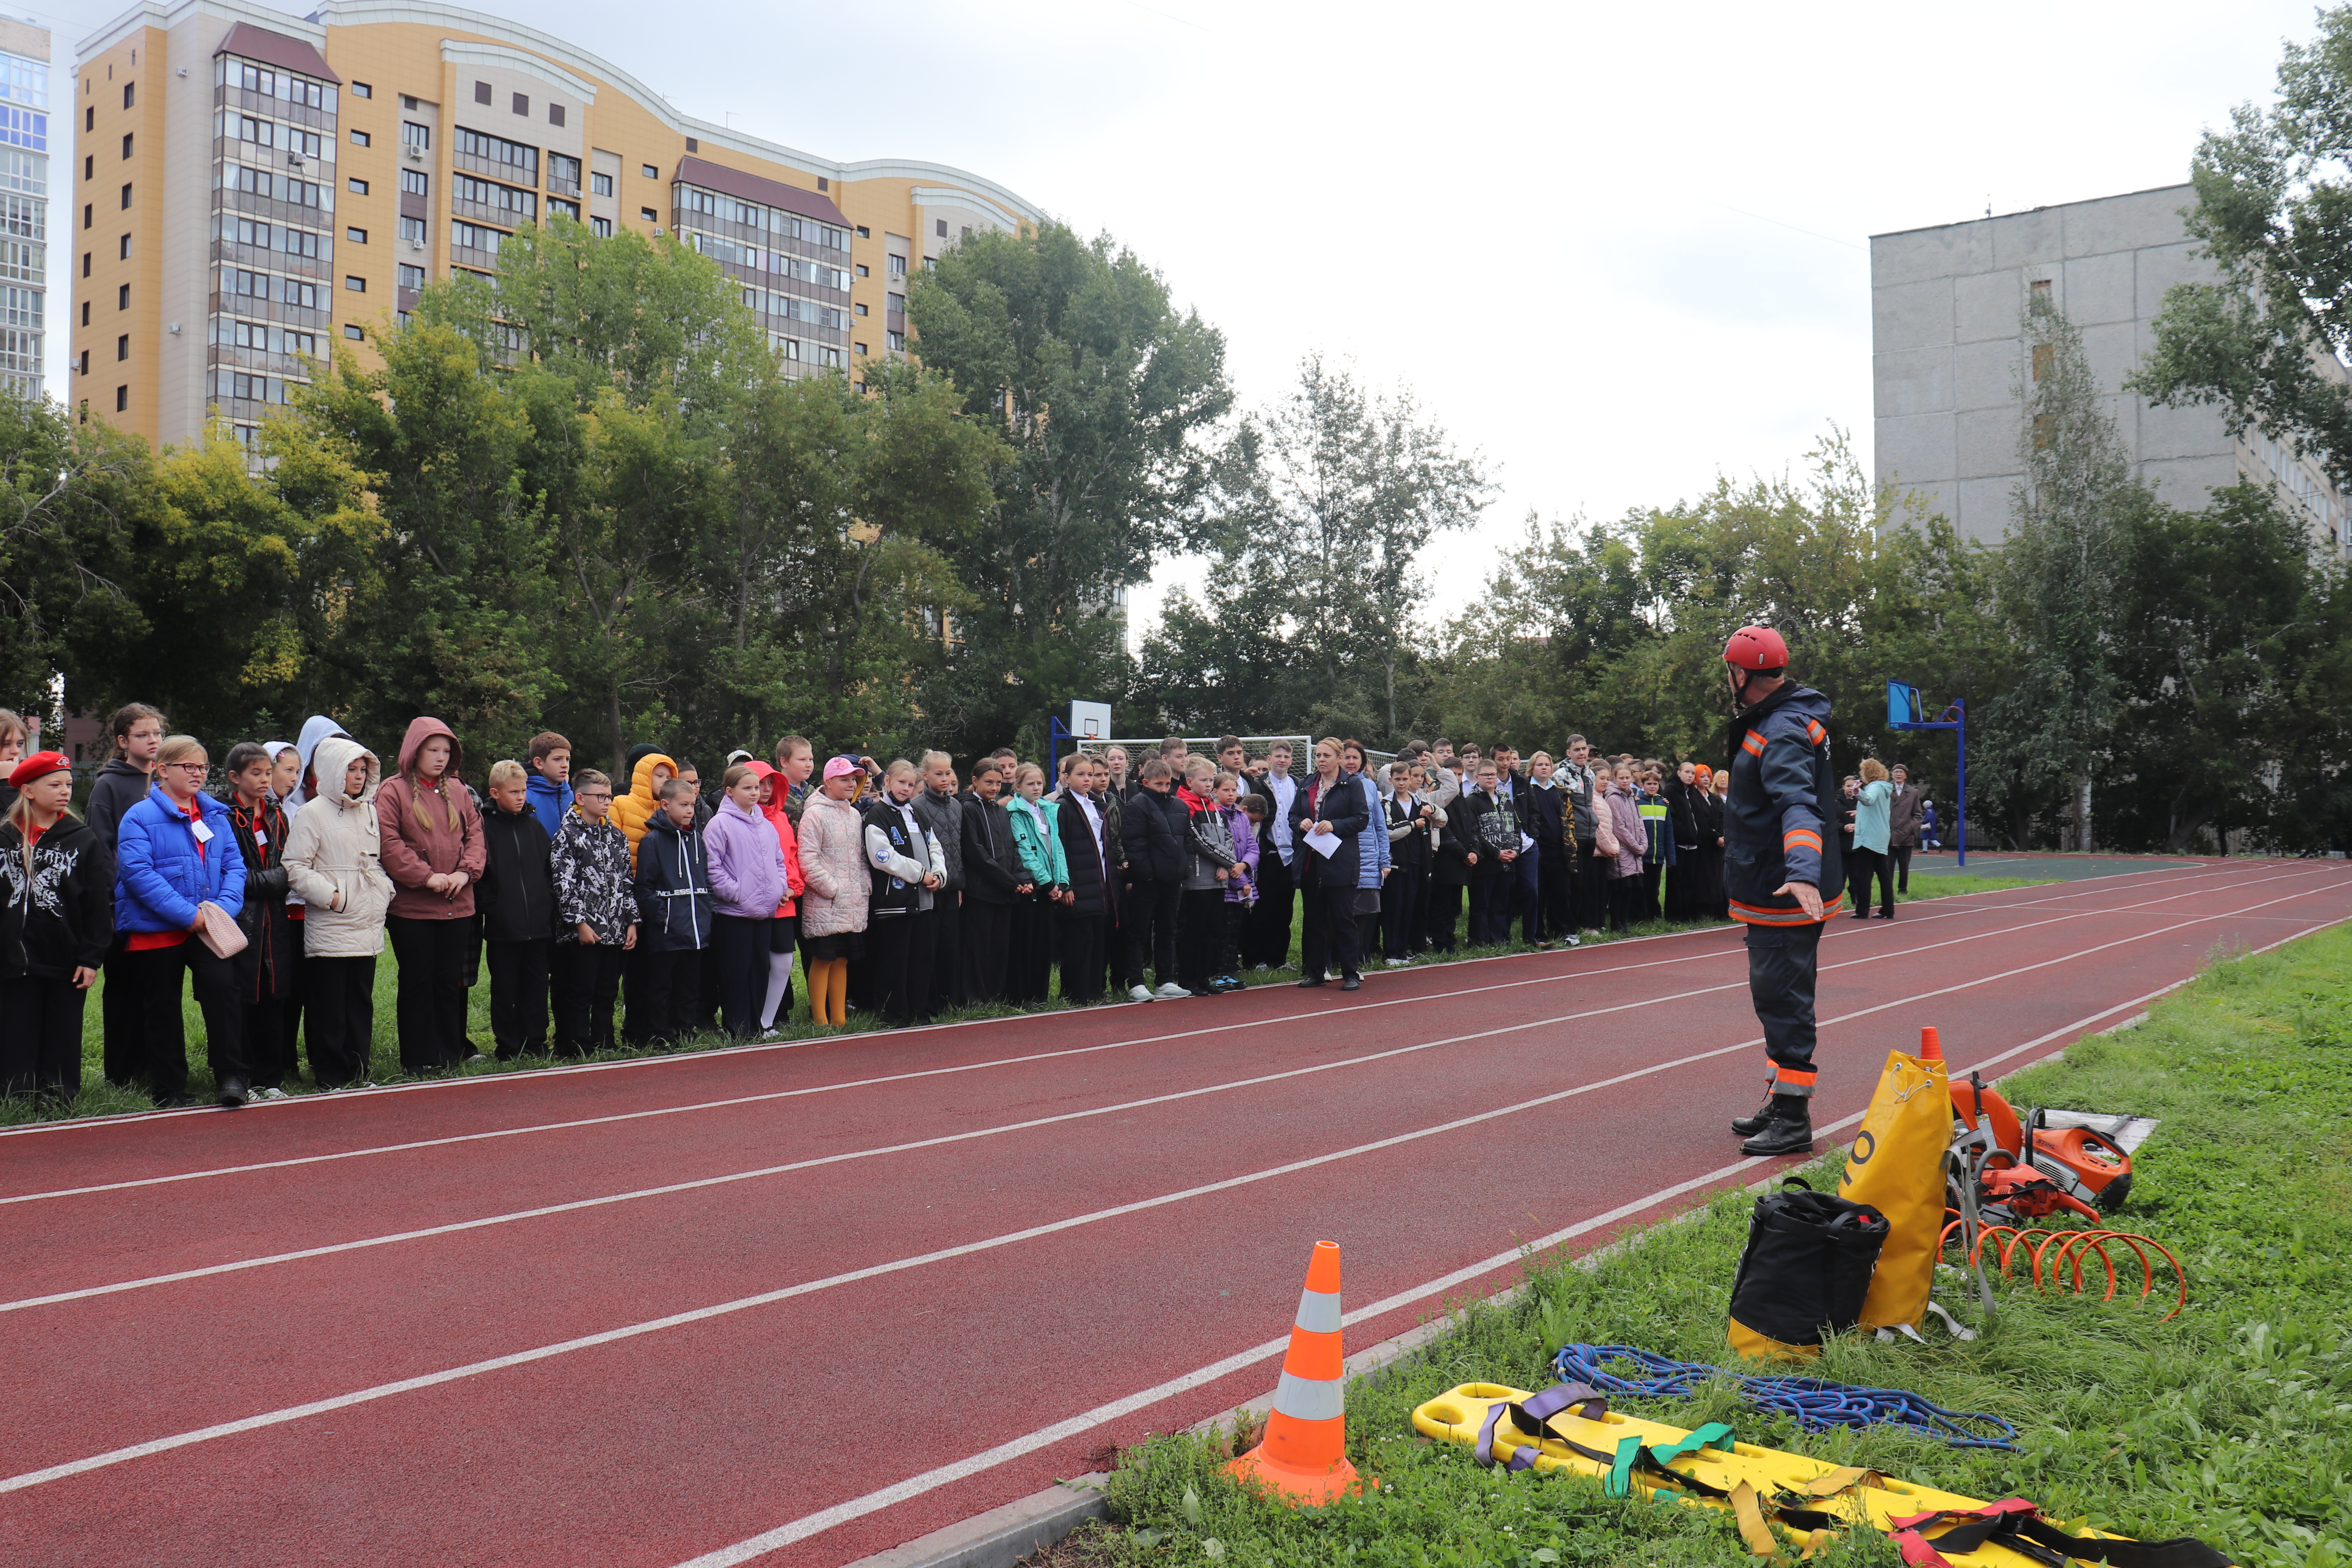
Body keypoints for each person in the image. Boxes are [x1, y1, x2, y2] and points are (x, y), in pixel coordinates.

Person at [1719, 624, 1844, 1158]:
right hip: (1770, 881)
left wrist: (1801, 872)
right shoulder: (1781, 717)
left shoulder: (1783, 729)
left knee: (1783, 1000)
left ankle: (1794, 1119)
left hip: (1783, 889)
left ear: (1744, 674)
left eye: (1730, 671)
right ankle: (1781, 1096)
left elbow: (1799, 804)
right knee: (1775, 1000)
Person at [114, 735, 249, 1107]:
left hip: (211, 924)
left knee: (223, 993)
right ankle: (170, 1087)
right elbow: (138, 873)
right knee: (162, 1006)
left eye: (203, 767)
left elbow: (236, 867)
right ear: (163, 770)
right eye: (188, 767)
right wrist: (188, 915)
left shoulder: (216, 816)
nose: (198, 774)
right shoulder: (139, 816)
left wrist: (218, 911)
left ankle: (231, 1076)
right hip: (158, 926)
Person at [375, 717, 486, 1074]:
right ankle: (419, 1057)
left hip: (459, 904)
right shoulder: (392, 792)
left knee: (448, 981)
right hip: (413, 909)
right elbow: (389, 844)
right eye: (432, 750)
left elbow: (476, 838)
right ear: (415, 751)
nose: (440, 758)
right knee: (417, 981)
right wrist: (428, 878)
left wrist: (462, 873)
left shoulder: (459, 790)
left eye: (446, 751)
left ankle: (449, 1053)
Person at [279, 737, 390, 1089]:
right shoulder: (312, 813)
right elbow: (294, 866)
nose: (358, 777)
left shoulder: (370, 810)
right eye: (350, 770)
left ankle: (358, 1071)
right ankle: (330, 1073)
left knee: (360, 1002)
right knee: (329, 1004)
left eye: (362, 770)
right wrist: (333, 897)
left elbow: (374, 862)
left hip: (367, 922)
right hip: (331, 922)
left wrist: (384, 891)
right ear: (330, 772)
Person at [0, 751, 110, 1101]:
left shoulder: (82, 838)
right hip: (13, 958)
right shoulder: (4, 837)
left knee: (62, 1028)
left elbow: (96, 904)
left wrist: (91, 957)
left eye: (68, 784)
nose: (65, 791)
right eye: (55, 785)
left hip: (65, 956)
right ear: (29, 790)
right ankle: (16, 1094)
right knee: (17, 1027)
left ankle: (59, 1094)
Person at [89, 702, 165, 1089]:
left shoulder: (165, 781)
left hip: (163, 909)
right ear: (123, 741)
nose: (153, 740)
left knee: (156, 995)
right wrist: (112, 905)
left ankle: (154, 1069)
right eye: (143, 734)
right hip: (123, 910)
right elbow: (101, 852)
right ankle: (122, 1075)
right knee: (123, 995)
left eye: (157, 734)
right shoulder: (110, 785)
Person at [216, 742, 298, 1098]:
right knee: (243, 996)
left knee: (275, 994)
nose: (265, 780)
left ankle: (272, 1076)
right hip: (242, 918)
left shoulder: (277, 815)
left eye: (268, 773)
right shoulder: (223, 816)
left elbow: (290, 869)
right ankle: (243, 1074)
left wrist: (275, 880)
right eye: (256, 774)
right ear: (235, 777)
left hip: (275, 919)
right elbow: (230, 874)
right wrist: (273, 881)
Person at [550, 768, 636, 1057]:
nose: (607, 802)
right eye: (600, 796)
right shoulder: (567, 836)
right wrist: (579, 924)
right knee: (580, 992)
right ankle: (576, 1046)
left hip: (614, 929)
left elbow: (626, 882)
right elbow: (564, 885)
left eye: (609, 797)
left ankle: (605, 1042)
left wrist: (631, 921)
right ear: (580, 798)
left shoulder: (616, 837)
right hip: (583, 932)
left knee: (607, 991)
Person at [477, 759, 556, 1058]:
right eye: (514, 792)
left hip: (538, 925)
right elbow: (481, 875)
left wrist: (547, 900)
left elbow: (549, 870)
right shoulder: (485, 829)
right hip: (503, 928)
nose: (521, 797)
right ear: (496, 793)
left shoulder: (534, 827)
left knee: (537, 988)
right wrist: (493, 908)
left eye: (523, 791)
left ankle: (535, 1042)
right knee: (505, 990)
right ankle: (508, 1045)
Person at [705, 762, 789, 1038]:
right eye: (748, 788)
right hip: (734, 915)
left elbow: (779, 862)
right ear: (730, 791)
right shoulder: (720, 824)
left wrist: (779, 888)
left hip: (764, 912)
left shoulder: (765, 825)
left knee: (758, 972)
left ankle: (755, 1027)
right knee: (735, 974)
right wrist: (735, 893)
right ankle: (737, 1028)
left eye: (757, 788)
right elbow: (712, 867)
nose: (755, 793)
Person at [628, 778, 712, 1046]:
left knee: (690, 985)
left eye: (692, 804)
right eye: (683, 804)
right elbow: (645, 886)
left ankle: (685, 1029)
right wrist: (663, 916)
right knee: (662, 986)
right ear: (665, 805)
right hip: (666, 932)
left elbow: (705, 880)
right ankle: (661, 1033)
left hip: (695, 929)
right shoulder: (652, 841)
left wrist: (705, 911)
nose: (690, 810)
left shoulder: (697, 839)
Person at [862, 760, 943, 1028]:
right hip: (894, 903)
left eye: (911, 785)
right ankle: (893, 1015)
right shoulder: (877, 815)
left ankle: (919, 1011)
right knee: (895, 961)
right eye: (901, 783)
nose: (906, 789)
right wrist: (921, 874)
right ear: (887, 782)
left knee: (922, 960)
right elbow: (882, 857)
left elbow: (935, 848)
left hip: (924, 902)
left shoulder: (917, 814)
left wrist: (940, 875)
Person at [797, 758, 870, 1027]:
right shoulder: (814, 814)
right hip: (826, 903)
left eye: (854, 779)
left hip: (852, 902)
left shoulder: (854, 815)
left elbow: (861, 857)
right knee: (823, 958)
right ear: (828, 782)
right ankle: (820, 1019)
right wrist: (832, 889)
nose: (852, 784)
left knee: (842, 959)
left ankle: (839, 1019)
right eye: (845, 779)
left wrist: (863, 887)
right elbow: (808, 859)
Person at [1292, 738, 1370, 990]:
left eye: (1327, 756)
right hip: (1310, 861)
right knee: (1314, 919)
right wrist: (1301, 823)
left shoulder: (1352, 784)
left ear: (1339, 758)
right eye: (1318, 756)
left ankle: (1350, 972)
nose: (1321, 760)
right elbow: (1293, 816)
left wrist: (1335, 825)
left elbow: (1361, 819)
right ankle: (1316, 972)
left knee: (1342, 918)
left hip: (1339, 861)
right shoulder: (1306, 784)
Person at [744, 761, 806, 1033]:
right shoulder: (740, 819)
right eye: (760, 784)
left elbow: (791, 857)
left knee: (783, 963)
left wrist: (792, 888)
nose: (766, 790)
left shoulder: (781, 817)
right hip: (754, 905)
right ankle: (752, 1020)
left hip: (784, 902)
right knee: (755, 964)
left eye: (771, 783)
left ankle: (767, 1021)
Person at [1120, 758, 1190, 1000]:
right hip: (1148, 882)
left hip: (1173, 881)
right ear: (1145, 782)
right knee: (1139, 932)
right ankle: (1136, 983)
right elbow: (1133, 844)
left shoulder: (1180, 806)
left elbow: (1187, 841)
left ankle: (1165, 980)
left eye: (1167, 784)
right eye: (1159, 784)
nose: (1164, 789)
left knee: (1167, 931)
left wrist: (1183, 869)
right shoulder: (1136, 806)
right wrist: (1147, 875)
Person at [958, 761, 1024, 1004]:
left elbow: (1012, 848)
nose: (995, 787)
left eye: (998, 783)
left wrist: (1021, 878)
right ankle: (975, 997)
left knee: (999, 946)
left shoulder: (1000, 810)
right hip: (981, 892)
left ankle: (995, 995)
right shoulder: (968, 809)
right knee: (978, 947)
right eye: (989, 782)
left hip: (1005, 893)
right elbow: (975, 853)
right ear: (975, 781)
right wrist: (1009, 881)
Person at [1174, 758, 1241, 995]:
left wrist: (1225, 866)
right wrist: (1229, 861)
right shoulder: (1185, 806)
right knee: (1195, 931)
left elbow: (1227, 836)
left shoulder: (1213, 807)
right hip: (1197, 881)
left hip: (1217, 879)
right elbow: (1198, 842)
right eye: (1204, 780)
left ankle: (1203, 977)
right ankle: (1188, 978)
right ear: (1190, 781)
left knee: (1213, 930)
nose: (1209, 784)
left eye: (1211, 780)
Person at [1002, 763, 1066, 1005]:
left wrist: (1061, 881)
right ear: (1018, 787)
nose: (1036, 788)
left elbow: (1057, 847)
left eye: (1039, 783)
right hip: (1032, 886)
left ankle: (1040, 995)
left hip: (1051, 886)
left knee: (1044, 943)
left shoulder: (1048, 810)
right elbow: (1025, 851)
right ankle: (1021, 995)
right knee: (1025, 943)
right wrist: (1047, 883)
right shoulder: (1015, 812)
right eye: (1030, 784)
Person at [1051, 755, 1114, 1004]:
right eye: (1081, 775)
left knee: (1098, 939)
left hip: (1099, 883)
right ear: (1066, 778)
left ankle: (1094, 989)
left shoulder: (1097, 804)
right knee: (1079, 941)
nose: (1087, 779)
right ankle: (1074, 993)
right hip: (1078, 885)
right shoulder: (1063, 806)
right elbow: (1061, 847)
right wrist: (1067, 885)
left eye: (1091, 775)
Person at [912, 751, 966, 1016]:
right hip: (930, 888)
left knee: (950, 947)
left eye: (948, 774)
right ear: (925, 776)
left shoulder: (956, 806)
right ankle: (929, 1003)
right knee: (930, 947)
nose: (945, 779)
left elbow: (958, 848)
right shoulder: (918, 806)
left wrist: (959, 884)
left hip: (952, 889)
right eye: (938, 774)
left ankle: (950, 1001)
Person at [1244, 742, 1298, 969]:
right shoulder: (1259, 785)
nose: (1282, 760)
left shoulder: (1297, 785)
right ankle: (1259, 959)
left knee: (1284, 911)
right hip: (1267, 855)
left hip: (1290, 855)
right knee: (1262, 908)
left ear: (1291, 760)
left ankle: (1279, 959)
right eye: (1278, 756)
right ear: (1270, 759)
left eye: (1286, 756)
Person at [1383, 760, 1436, 963]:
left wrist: (1431, 808)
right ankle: (1391, 952)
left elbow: (1442, 818)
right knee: (1394, 910)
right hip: (1396, 865)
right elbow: (1389, 832)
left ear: (1412, 780)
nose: (1402, 783)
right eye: (1398, 779)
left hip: (1417, 863)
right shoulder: (1386, 804)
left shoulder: (1419, 802)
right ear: (1391, 781)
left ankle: (1403, 950)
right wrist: (1413, 825)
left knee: (1409, 908)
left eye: (1406, 779)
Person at [1460, 760, 1519, 945]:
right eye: (1485, 775)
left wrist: (1515, 851)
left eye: (1493, 775)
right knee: (1481, 905)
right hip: (1485, 863)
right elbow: (1474, 833)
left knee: (1501, 904)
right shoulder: (1471, 801)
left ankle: (1500, 939)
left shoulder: (1505, 799)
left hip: (1508, 863)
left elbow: (1517, 827)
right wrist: (1496, 853)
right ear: (1477, 777)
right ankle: (1479, 941)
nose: (1490, 778)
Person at [1212, 771, 1259, 991]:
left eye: (1234, 790)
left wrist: (1245, 865)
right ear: (1216, 792)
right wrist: (1239, 878)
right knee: (1221, 930)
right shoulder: (1215, 815)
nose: (1231, 794)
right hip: (1227, 884)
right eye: (1226, 790)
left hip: (1242, 879)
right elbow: (1223, 849)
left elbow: (1252, 846)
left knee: (1234, 931)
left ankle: (1229, 971)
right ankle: (1217, 972)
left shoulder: (1241, 816)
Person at [1524, 752, 1576, 948]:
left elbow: (1570, 820)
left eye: (1547, 764)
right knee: (1539, 893)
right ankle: (1538, 934)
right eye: (1539, 765)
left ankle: (1561, 932)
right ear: (1532, 768)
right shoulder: (1527, 789)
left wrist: (1571, 844)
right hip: (1537, 849)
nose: (1544, 768)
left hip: (1560, 849)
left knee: (1561, 893)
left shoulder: (1560, 791)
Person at [611, 751, 676, 866]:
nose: (665, 781)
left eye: (669, 778)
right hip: (625, 879)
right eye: (659, 776)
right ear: (645, 776)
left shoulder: (672, 811)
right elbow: (611, 846)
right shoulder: (620, 804)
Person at [1602, 762, 1645, 932]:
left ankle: (1625, 922)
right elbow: (1619, 827)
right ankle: (1616, 923)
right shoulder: (1613, 798)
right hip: (1623, 851)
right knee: (1621, 888)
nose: (1625, 781)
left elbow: (1639, 822)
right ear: (1615, 779)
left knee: (1631, 888)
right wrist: (1636, 846)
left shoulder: (1631, 797)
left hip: (1635, 851)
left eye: (1628, 778)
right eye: (1622, 778)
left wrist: (1643, 843)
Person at [1851, 758, 1896, 920]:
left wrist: (1858, 792)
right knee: (1883, 874)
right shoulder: (1885, 788)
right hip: (1881, 835)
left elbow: (1868, 800)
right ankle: (1888, 909)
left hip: (1868, 837)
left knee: (1864, 874)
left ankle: (1862, 910)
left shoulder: (1875, 787)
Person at [1662, 762, 1702, 924]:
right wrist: (1683, 832)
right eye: (1687, 772)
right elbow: (1672, 817)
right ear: (1679, 773)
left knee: (1689, 882)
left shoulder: (1693, 793)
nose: (1690, 776)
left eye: (1693, 773)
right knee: (1675, 882)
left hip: (1693, 845)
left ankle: (1688, 914)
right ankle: (1674, 916)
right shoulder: (1671, 791)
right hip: (1678, 844)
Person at [525, 732, 575, 840]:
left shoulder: (570, 795)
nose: (565, 765)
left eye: (568, 759)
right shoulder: (524, 797)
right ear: (539, 763)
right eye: (557, 759)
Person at [1887, 763, 1923, 893]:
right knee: (1888, 866)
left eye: (1901, 772)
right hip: (1889, 835)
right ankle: (1888, 891)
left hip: (1906, 836)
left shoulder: (1913, 792)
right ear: (1892, 775)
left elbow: (1918, 815)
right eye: (1896, 772)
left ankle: (1903, 890)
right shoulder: (1886, 790)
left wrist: (1910, 829)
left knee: (1904, 866)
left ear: (1906, 776)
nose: (1898, 775)